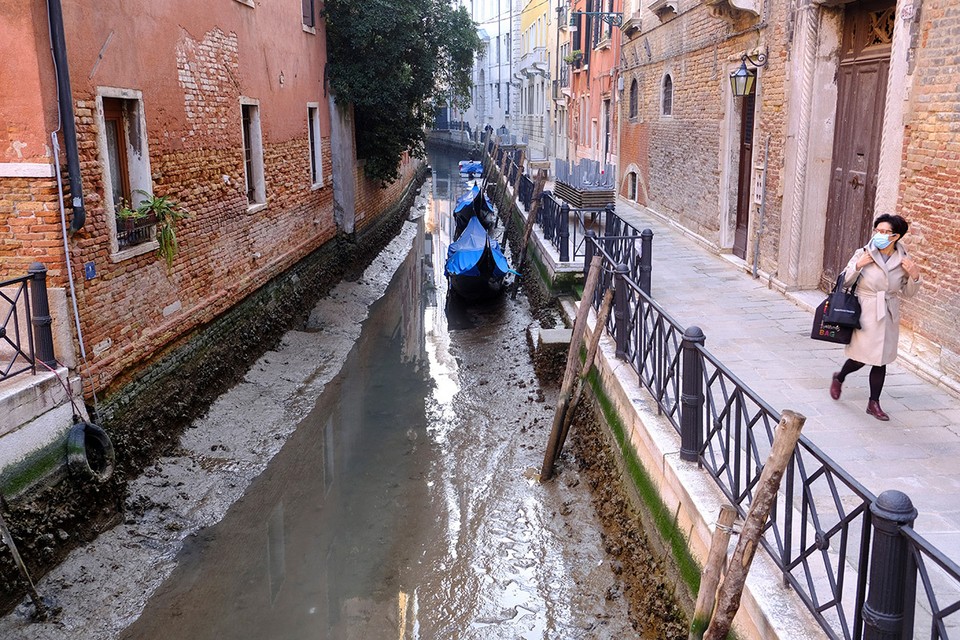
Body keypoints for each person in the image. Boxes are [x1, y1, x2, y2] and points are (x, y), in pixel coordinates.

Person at [829, 214, 921, 420]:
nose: (879, 235)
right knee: (860, 358)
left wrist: (915, 275)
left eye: (885, 232)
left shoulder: (904, 260)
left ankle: (874, 403)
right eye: (877, 231)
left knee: (881, 360)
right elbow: (843, 282)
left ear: (896, 236)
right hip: (865, 311)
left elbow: (908, 293)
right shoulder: (863, 254)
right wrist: (858, 265)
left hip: (888, 312)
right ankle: (840, 377)